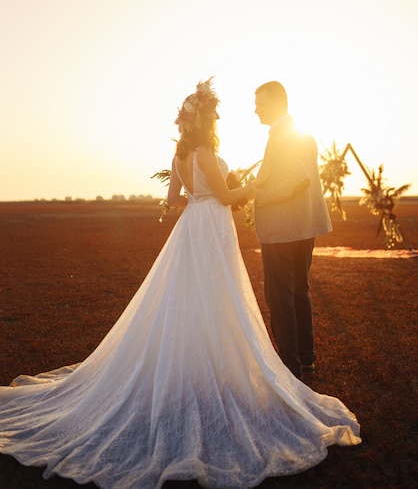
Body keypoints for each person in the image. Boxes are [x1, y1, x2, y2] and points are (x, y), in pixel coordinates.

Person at [0, 78, 359, 489]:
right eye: (215, 114)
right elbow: (225, 197)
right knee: (218, 295)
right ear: (204, 120)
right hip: (213, 226)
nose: (220, 117)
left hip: (193, 226)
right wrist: (252, 188)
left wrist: (198, 199)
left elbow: (174, 200)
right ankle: (223, 369)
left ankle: (200, 364)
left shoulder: (180, 156)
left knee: (190, 296)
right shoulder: (207, 152)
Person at [253, 80, 332, 380]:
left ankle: (290, 367)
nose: (255, 109)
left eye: (259, 103)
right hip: (303, 226)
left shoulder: (283, 135)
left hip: (283, 230)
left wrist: (260, 195)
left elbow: (298, 179)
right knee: (299, 292)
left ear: (274, 103)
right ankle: (306, 361)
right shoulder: (301, 133)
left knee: (280, 296)